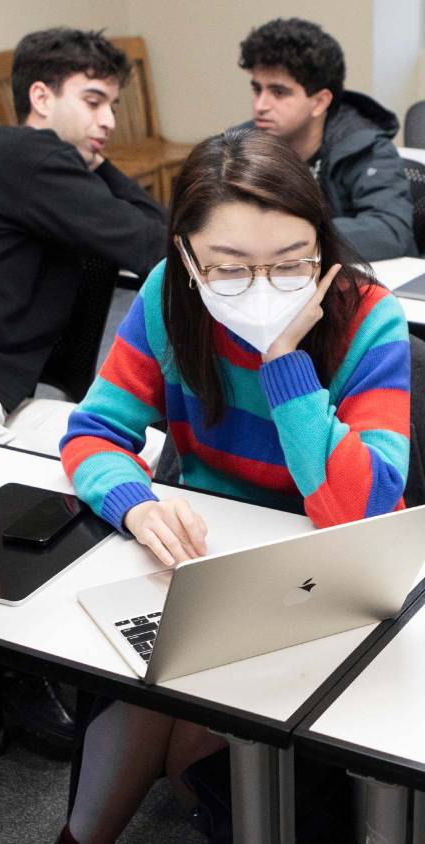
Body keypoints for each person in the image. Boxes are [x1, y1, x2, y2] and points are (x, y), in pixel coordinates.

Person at [57, 129, 410, 843]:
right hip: (209, 563)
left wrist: (284, 362)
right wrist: (138, 501)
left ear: (322, 246)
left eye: (289, 265)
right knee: (152, 685)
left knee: (190, 728)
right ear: (186, 257)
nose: (259, 290)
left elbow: (363, 510)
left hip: (327, 584)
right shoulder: (168, 298)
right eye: (228, 269)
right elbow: (91, 434)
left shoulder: (370, 317)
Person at [0, 26, 167, 455]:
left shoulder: (23, 157)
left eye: (111, 106)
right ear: (42, 98)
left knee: (140, 456)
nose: (109, 121)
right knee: (141, 459)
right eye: (93, 101)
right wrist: (99, 167)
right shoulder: (32, 156)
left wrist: (97, 164)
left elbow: (161, 237)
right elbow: (156, 243)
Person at [236, 16, 416, 262]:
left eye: (278, 92)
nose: (261, 105)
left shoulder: (364, 147)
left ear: (320, 102)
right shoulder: (238, 145)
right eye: (257, 89)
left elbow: (390, 232)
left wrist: (284, 237)